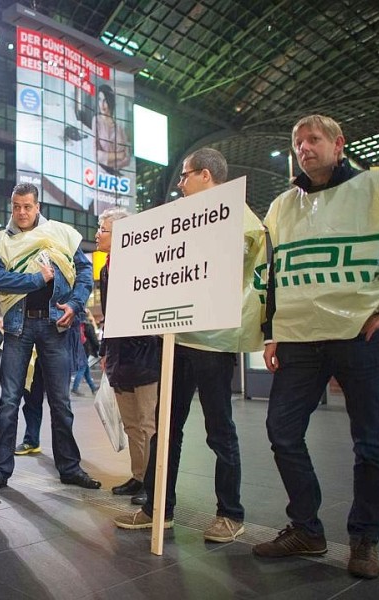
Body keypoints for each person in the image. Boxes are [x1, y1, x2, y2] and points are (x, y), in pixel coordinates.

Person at [253, 115, 379, 579]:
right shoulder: (282, 206)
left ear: (338, 145)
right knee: (282, 431)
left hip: (358, 336)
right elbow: (274, 276)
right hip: (300, 339)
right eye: (298, 142)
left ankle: (365, 540)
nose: (305, 147)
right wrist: (272, 332)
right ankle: (306, 528)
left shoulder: (377, 189)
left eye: (314, 139)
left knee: (370, 442)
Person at [114, 148, 266, 544]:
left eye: (184, 176)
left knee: (219, 428)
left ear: (204, 175)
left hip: (214, 341)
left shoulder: (241, 219)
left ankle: (230, 513)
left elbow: (240, 274)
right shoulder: (182, 222)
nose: (179, 184)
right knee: (166, 427)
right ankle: (158, 508)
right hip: (178, 337)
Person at [0, 182, 99, 492]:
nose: (22, 212)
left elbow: (85, 272)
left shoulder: (62, 233)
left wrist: (75, 304)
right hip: (18, 329)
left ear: (37, 208)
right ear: (12, 207)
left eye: (27, 206)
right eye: (17, 206)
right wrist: (36, 279)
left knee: (61, 402)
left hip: (55, 326)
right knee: (8, 403)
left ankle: (70, 468)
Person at [96, 207, 161, 500]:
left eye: (103, 229)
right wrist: (105, 350)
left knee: (148, 422)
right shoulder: (106, 268)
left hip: (146, 355)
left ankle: (153, 483)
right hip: (120, 356)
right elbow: (109, 316)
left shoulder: (144, 263)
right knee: (131, 422)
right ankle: (138, 476)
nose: (98, 234)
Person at [71, 314, 99, 395]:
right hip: (85, 349)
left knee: (85, 368)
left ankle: (92, 387)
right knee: (82, 368)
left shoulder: (76, 325)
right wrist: (97, 349)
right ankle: (75, 388)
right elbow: (93, 339)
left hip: (78, 349)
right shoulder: (88, 326)